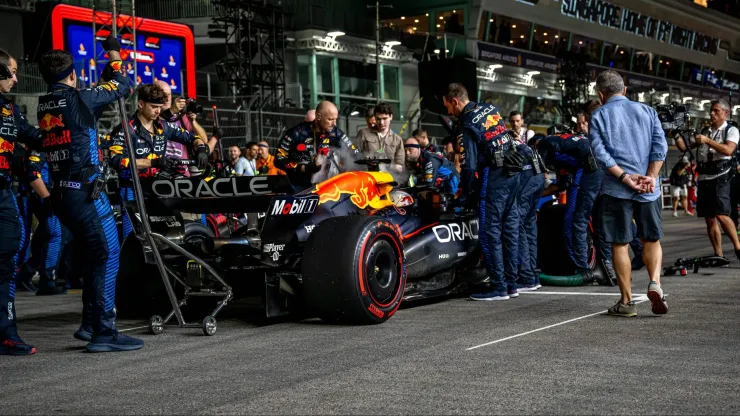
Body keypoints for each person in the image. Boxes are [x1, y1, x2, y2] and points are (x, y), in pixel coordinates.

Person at [38, 39, 143, 352]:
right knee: (107, 253)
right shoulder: (81, 97)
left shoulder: (46, 102)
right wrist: (113, 54)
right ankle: (104, 331)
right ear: (73, 76)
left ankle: (89, 324)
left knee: (95, 255)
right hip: (85, 191)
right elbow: (122, 84)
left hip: (62, 192)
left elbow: (92, 99)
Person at [588, 69, 668, 317]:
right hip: (648, 189)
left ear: (601, 94)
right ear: (624, 91)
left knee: (620, 243)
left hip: (616, 190)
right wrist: (651, 177)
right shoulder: (647, 111)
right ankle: (655, 281)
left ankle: (626, 302)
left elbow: (600, 154)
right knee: (651, 239)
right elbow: (660, 147)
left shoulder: (598, 115)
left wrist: (624, 177)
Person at [442, 83, 523, 301]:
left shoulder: (467, 122)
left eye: (449, 107)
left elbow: (468, 164)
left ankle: (498, 286)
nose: (449, 113)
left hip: (494, 176)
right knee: (510, 229)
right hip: (513, 173)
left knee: (490, 231)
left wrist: (465, 192)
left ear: (455, 101)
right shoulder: (491, 108)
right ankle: (511, 284)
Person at [109, 83, 214, 241]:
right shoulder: (125, 129)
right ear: (141, 104)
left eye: (159, 107)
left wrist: (200, 149)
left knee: (165, 236)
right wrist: (152, 163)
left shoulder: (163, 126)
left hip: (158, 188)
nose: (158, 111)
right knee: (133, 239)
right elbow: (116, 160)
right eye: (153, 107)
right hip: (133, 189)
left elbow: (191, 137)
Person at [0, 48, 44, 355]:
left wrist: (67, 131)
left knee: (9, 254)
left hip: (3, 191)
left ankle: (5, 332)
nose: (16, 79)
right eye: (11, 73)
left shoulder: (10, 110)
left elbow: (32, 135)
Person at [17, 148, 71, 295]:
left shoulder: (63, 139)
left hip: (56, 194)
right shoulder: (42, 142)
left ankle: (26, 273)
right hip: (43, 195)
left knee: (56, 236)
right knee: (56, 234)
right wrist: (47, 198)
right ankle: (47, 282)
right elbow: (32, 173)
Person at [691, 100, 740, 259]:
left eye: (716, 111)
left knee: (721, 214)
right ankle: (718, 254)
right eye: (711, 110)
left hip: (721, 176)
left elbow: (728, 150)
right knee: (709, 218)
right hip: (704, 176)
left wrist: (707, 141)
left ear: (725, 113)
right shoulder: (705, 130)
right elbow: (686, 147)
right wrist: (677, 134)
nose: (712, 114)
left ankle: (738, 247)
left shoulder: (731, 130)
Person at [276, 100, 359, 191]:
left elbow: (354, 153)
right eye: (330, 119)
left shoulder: (336, 133)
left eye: (335, 119)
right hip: (298, 187)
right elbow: (279, 159)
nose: (334, 123)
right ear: (319, 116)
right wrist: (303, 167)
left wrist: (367, 162)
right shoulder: (296, 133)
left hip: (325, 187)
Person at [513, 131, 546, 291]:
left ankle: (526, 277)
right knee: (528, 225)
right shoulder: (523, 146)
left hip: (528, 180)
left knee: (517, 225)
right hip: (537, 178)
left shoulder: (504, 146)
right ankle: (532, 274)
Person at [356, 102, 405, 172]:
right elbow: (354, 157)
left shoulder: (397, 140)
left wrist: (383, 165)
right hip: (368, 178)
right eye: (378, 119)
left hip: (388, 179)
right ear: (375, 117)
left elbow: (400, 167)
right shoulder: (364, 134)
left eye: (385, 119)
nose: (381, 122)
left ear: (391, 117)